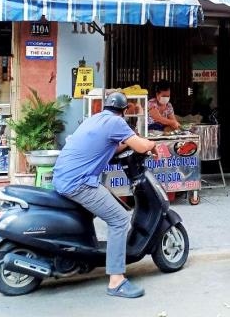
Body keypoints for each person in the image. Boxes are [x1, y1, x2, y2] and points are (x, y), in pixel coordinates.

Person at [52, 92, 157, 298]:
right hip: (80, 183)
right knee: (119, 218)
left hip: (63, 177)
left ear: (105, 107)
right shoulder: (117, 123)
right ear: (125, 111)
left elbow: (115, 146)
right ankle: (116, 280)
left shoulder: (95, 119)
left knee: (109, 204)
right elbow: (142, 146)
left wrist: (127, 142)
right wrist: (152, 145)